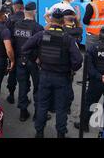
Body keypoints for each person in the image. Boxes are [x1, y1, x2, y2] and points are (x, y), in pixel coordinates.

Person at [22, 9, 83, 138]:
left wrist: (35, 59)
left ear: (52, 21)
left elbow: (25, 48)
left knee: (42, 105)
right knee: (61, 108)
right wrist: (71, 69)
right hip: (62, 77)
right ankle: (61, 134)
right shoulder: (67, 38)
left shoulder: (42, 35)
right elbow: (78, 60)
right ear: (62, 23)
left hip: (44, 75)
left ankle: (39, 132)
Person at [11, 2, 44, 121]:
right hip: (34, 62)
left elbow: (13, 43)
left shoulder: (17, 25)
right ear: (34, 12)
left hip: (20, 60)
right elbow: (42, 46)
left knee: (23, 86)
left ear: (24, 11)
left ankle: (23, 112)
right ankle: (37, 113)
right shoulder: (38, 27)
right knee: (38, 87)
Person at [4, 0, 25, 104]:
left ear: (15, 8)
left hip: (12, 51)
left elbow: (6, 36)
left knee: (12, 73)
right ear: (23, 7)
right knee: (24, 78)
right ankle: (23, 99)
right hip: (24, 54)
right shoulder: (28, 19)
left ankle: (11, 95)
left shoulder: (10, 19)